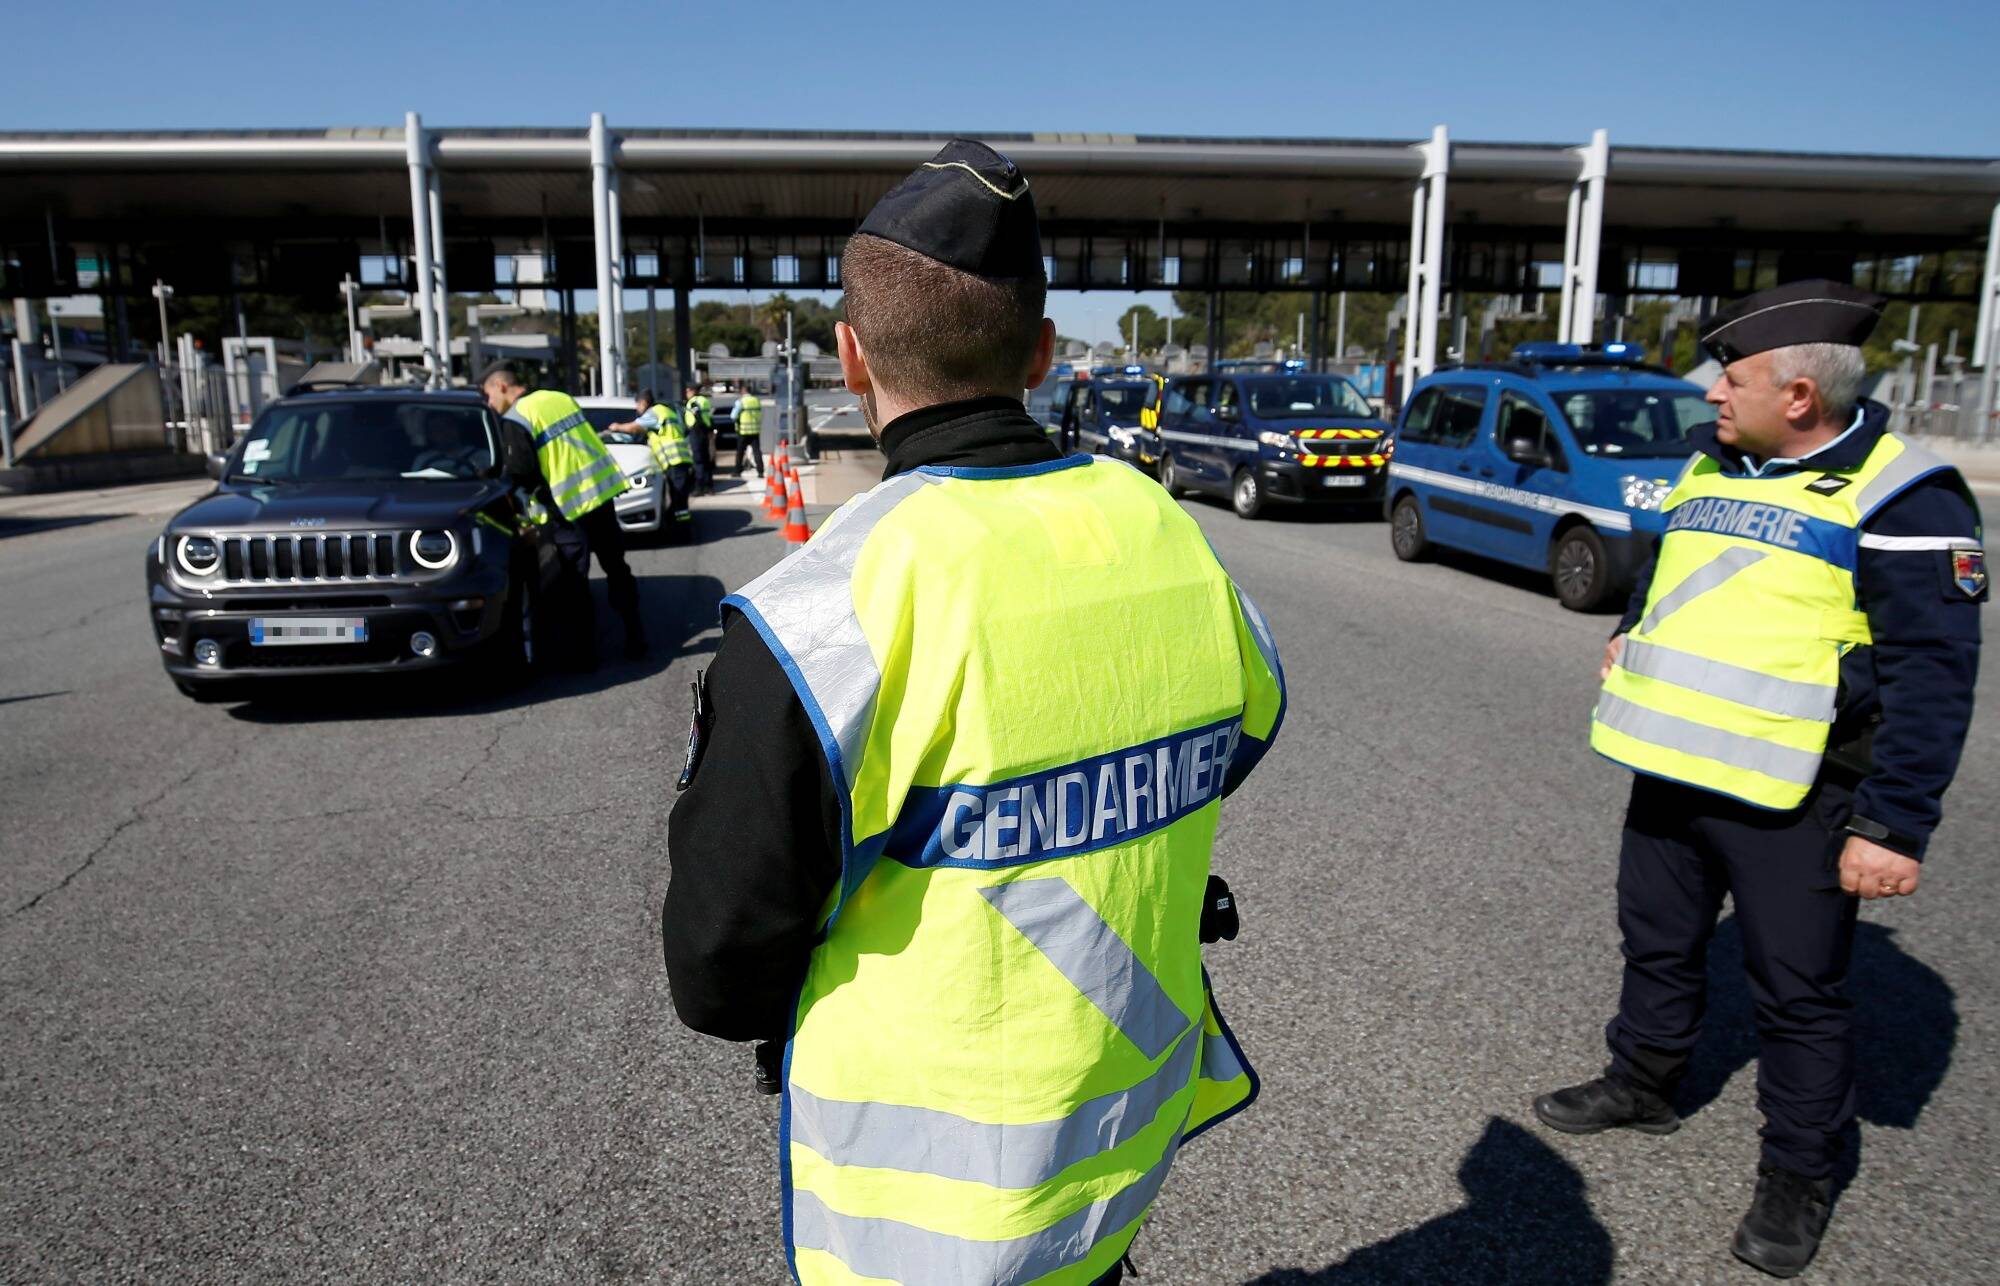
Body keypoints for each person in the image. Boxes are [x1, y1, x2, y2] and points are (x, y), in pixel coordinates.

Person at [662, 139, 1285, 1286]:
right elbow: (1239, 733)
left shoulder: (817, 612)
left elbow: (717, 968)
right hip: (1114, 1152)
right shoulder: (1167, 534)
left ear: (851, 357)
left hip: (918, 1231)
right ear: (1042, 352)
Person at [1534, 280, 1985, 1278]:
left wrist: (1892, 826)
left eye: (1729, 377)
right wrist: (1624, 630)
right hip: (1671, 769)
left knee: (1795, 993)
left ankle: (1797, 1171)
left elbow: (1930, 678)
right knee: (1654, 943)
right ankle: (1642, 1081)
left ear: (1796, 394)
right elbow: (1665, 573)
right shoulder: (1710, 463)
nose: (1712, 394)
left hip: (1797, 796)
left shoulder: (1904, 495)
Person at [480, 362, 649, 661]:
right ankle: (636, 637)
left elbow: (523, 471)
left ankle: (584, 654)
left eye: (490, 397)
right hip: (601, 494)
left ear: (501, 387)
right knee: (617, 569)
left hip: (567, 509)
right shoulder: (559, 398)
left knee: (575, 581)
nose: (491, 405)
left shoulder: (516, 419)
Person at [612, 389, 695, 541]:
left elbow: (634, 427)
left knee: (679, 500)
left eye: (638, 405)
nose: (638, 410)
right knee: (678, 497)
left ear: (643, 402)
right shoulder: (665, 411)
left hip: (674, 461)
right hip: (679, 460)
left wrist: (616, 428)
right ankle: (676, 527)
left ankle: (683, 533)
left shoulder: (653, 413)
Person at [683, 383, 715, 494]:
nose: (686, 394)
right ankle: (709, 486)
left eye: (687, 391)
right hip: (705, 432)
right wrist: (710, 430)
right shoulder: (704, 400)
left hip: (697, 432)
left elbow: (698, 417)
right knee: (706, 460)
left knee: (698, 461)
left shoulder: (693, 402)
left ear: (692, 391)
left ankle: (699, 487)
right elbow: (709, 418)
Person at [730, 382, 765, 477]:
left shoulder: (741, 402)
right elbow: (761, 415)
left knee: (740, 452)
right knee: (757, 451)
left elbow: (733, 416)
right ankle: (760, 471)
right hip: (755, 430)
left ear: (743, 390)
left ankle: (737, 471)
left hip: (743, 431)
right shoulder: (756, 400)